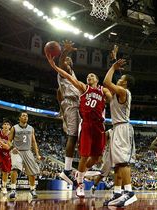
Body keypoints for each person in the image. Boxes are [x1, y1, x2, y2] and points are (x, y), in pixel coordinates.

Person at [46, 52, 112, 198]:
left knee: (96, 158)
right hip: (87, 124)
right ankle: (80, 183)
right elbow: (68, 77)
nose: (89, 77)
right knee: (84, 155)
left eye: (92, 76)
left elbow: (110, 96)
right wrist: (55, 66)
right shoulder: (83, 87)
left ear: (97, 79)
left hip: (100, 126)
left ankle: (79, 172)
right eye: (88, 76)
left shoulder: (103, 90)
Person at [102, 59, 137, 207]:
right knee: (116, 164)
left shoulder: (124, 91)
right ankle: (117, 193)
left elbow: (106, 82)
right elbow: (107, 89)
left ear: (125, 83)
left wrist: (113, 67)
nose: (119, 79)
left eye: (121, 79)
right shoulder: (116, 94)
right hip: (116, 128)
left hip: (123, 128)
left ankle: (129, 192)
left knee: (123, 162)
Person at [56, 40, 81, 187]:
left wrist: (62, 114)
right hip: (72, 103)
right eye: (66, 60)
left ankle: (78, 168)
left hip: (74, 104)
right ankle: (66, 170)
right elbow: (60, 62)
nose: (68, 61)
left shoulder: (70, 76)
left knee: (78, 136)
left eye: (69, 59)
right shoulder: (64, 71)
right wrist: (65, 52)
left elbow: (58, 93)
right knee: (72, 136)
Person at [8, 112, 41, 199]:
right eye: (23, 115)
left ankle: (32, 189)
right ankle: (13, 189)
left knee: (32, 172)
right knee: (15, 168)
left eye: (26, 116)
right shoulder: (14, 128)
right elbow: (9, 140)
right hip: (17, 151)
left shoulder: (31, 128)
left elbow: (34, 142)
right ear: (19, 118)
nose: (25, 117)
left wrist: (37, 154)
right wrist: (12, 148)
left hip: (27, 151)